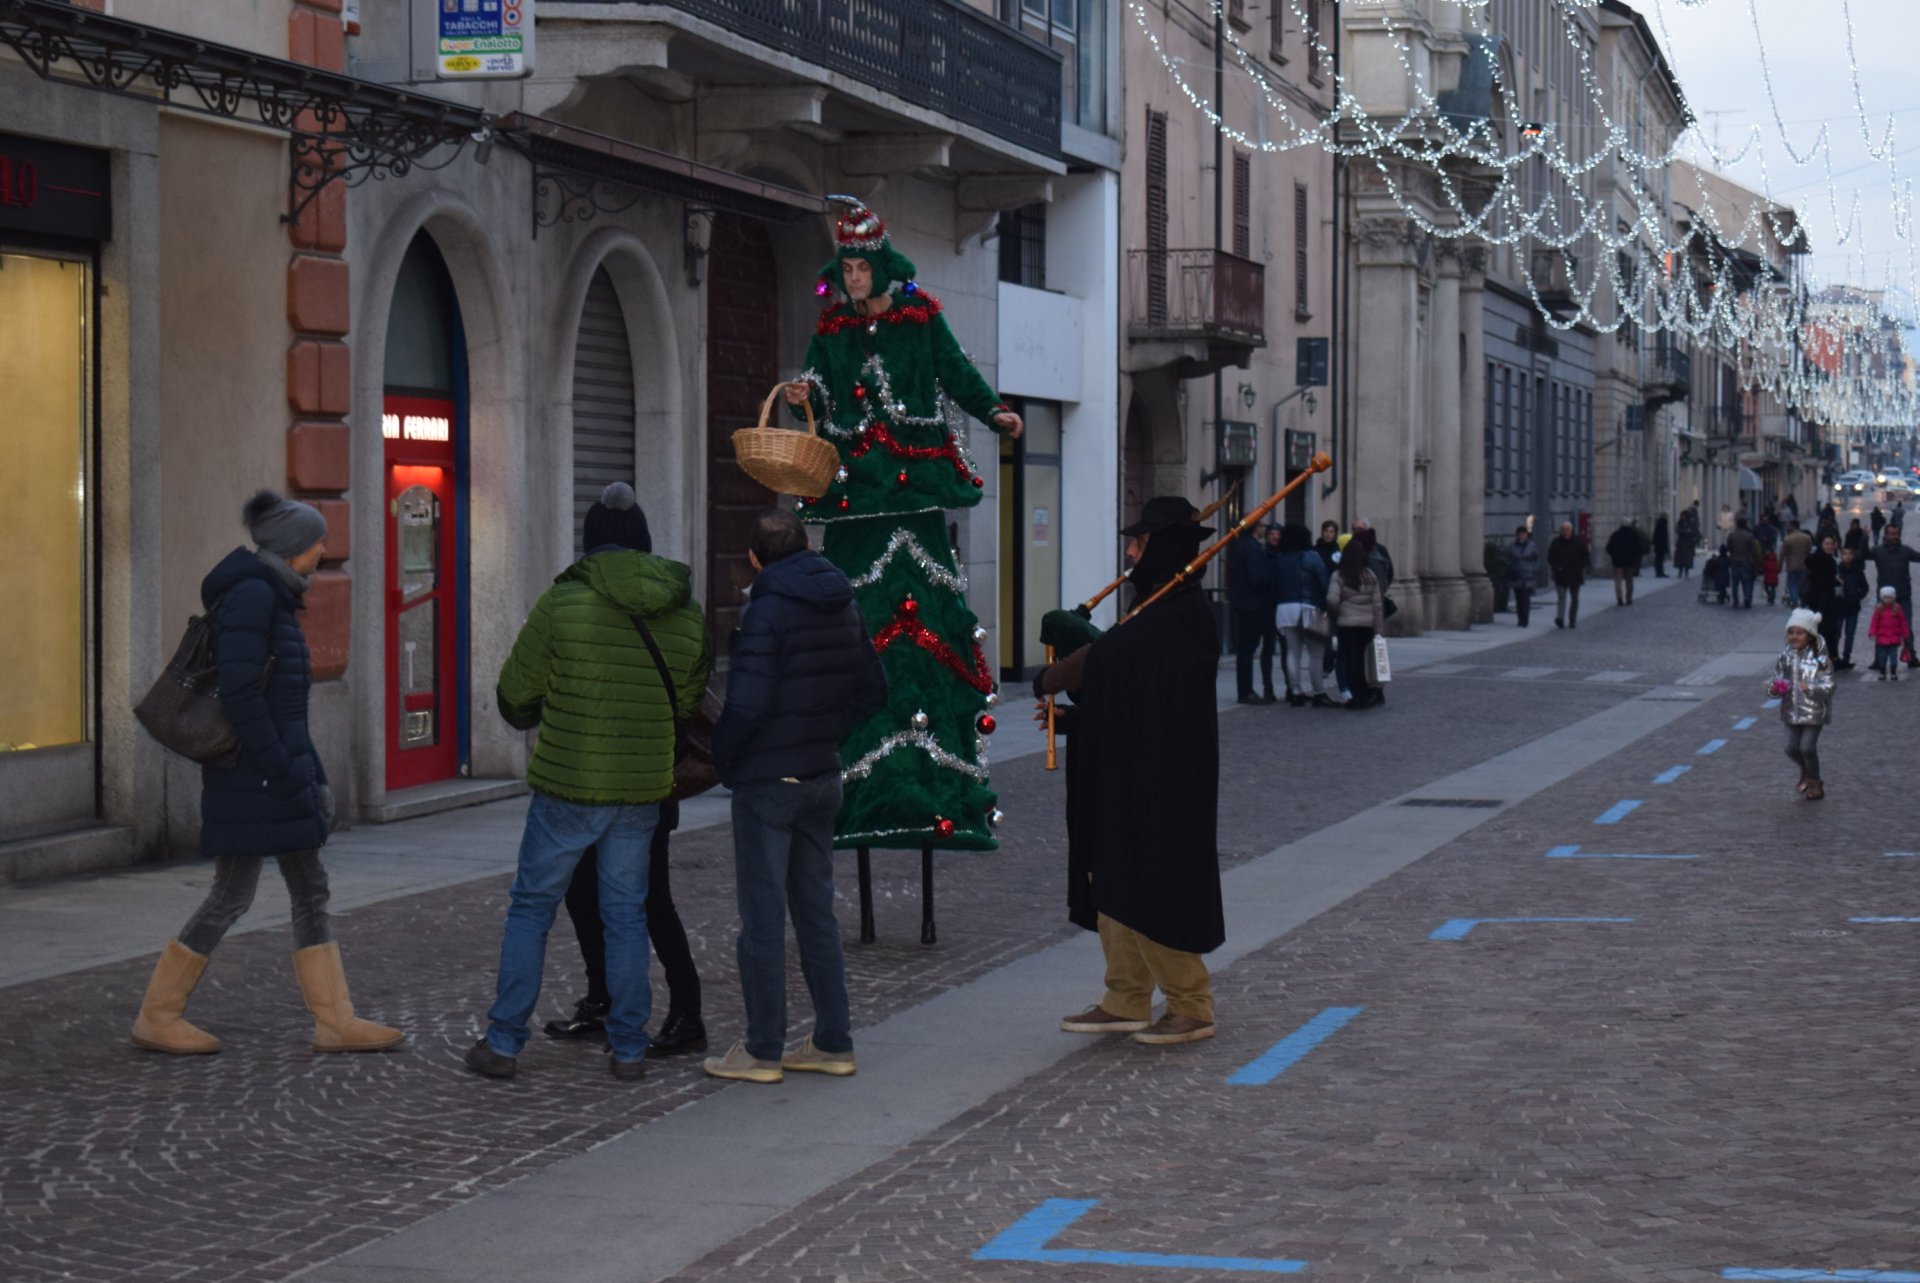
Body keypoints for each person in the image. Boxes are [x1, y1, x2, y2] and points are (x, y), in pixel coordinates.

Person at [129, 492, 402, 1058]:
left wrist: (314, 773)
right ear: (291, 548)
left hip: (274, 773)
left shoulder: (274, 597)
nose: (324, 550)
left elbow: (287, 708)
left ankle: (335, 1020)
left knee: (308, 889)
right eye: (316, 542)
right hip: (252, 777)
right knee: (232, 894)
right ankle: (159, 1014)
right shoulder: (253, 597)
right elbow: (242, 694)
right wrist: (283, 769)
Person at [782, 200, 1015, 853]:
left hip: (912, 478)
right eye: (846, 267)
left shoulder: (923, 318)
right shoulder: (832, 328)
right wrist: (806, 394)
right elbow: (819, 384)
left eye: (861, 267)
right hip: (856, 490)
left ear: (880, 267)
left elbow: (957, 374)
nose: (853, 278)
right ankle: (852, 782)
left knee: (925, 619)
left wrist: (994, 413)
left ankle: (934, 781)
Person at [470, 483, 712, 1082]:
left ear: (590, 542)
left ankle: (503, 1042)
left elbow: (514, 696)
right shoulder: (685, 610)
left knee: (531, 909)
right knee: (627, 915)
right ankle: (628, 1048)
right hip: (640, 788)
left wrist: (549, 708)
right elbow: (687, 703)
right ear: (645, 541)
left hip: (568, 785)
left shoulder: (563, 603)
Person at [703, 509, 888, 1084]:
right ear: (807, 545)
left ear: (756, 558)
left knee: (762, 919)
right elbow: (873, 691)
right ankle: (834, 1040)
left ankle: (763, 1049)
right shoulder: (844, 601)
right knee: (817, 915)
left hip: (769, 781)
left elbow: (748, 703)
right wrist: (826, 731)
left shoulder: (767, 610)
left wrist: (726, 760)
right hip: (821, 775)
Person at [1038, 496, 1224, 1046]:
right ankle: (1126, 997)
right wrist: (1077, 718)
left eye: (1138, 544)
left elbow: (1113, 662)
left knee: (1151, 881)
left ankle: (1192, 1003)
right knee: (1112, 876)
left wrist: (1059, 674)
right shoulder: (1151, 610)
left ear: (1161, 551)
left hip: (1164, 782)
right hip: (1128, 768)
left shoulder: (1181, 617)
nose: (1129, 551)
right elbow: (1125, 694)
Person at [1770, 609, 1834, 801]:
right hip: (1791, 710)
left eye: (1799, 633)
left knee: (1807, 747)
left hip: (1815, 711)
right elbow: (1776, 678)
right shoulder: (1785, 657)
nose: (1794, 637)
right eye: (1791, 632)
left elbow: (1830, 686)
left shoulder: (1821, 660)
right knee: (1790, 747)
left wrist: (1811, 688)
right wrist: (1774, 689)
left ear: (1810, 635)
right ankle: (1806, 770)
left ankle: (1815, 782)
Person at [1271, 522, 1334, 707]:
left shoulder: (1279, 559)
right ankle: (1318, 692)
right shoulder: (1311, 556)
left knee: (1292, 652)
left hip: (1284, 607)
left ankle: (1296, 691)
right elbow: (1324, 582)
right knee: (1316, 653)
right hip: (1308, 605)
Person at [1327, 529, 1386, 710]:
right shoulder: (1369, 575)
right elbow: (1377, 604)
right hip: (1366, 624)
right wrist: (1378, 628)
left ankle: (1355, 697)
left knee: (1350, 661)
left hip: (1347, 623)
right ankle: (1363, 694)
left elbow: (1331, 599)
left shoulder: (1339, 575)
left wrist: (1336, 613)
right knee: (1360, 660)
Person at [1227, 521, 1278, 706]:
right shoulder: (1252, 547)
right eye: (1263, 525)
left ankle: (1245, 690)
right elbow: (1258, 577)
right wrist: (1270, 583)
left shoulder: (1238, 545)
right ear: (1256, 528)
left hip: (1241, 601)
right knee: (1247, 649)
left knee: (1244, 648)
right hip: (1252, 604)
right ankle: (1246, 691)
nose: (1265, 529)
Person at [1870, 524, 1920, 667]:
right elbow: (1863, 555)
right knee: (1881, 628)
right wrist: (1863, 538)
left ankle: (1911, 656)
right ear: (1885, 535)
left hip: (1903, 595)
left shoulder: (1905, 551)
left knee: (1907, 627)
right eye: (1892, 534)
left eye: (1897, 534)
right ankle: (1878, 659)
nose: (1895, 536)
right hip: (1884, 598)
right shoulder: (1878, 550)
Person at [1804, 533, 1842, 663]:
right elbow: (1822, 581)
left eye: (1831, 544)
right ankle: (1823, 656)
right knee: (1823, 630)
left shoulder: (1828, 559)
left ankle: (1828, 655)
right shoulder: (1821, 559)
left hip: (1825, 600)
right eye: (1827, 544)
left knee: (1828, 630)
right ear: (1821, 545)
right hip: (1821, 601)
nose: (1830, 546)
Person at [1547, 520, 1586, 628]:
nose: (1565, 532)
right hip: (1561, 574)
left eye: (1567, 529)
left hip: (1575, 574)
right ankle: (1560, 618)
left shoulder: (1578, 542)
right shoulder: (1556, 542)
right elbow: (1550, 558)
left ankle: (1572, 619)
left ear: (1571, 530)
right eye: (1563, 529)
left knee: (1575, 598)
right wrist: (1556, 567)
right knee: (1561, 597)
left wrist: (1580, 567)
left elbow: (1585, 556)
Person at [1837, 546, 1870, 668]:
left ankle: (1846, 657)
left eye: (1850, 554)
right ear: (1841, 556)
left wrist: (1857, 596)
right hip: (1839, 607)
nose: (1847, 556)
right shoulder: (1837, 570)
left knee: (1850, 634)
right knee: (1837, 633)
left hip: (1853, 607)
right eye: (1845, 554)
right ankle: (1835, 657)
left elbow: (1865, 587)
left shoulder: (1857, 570)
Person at [1869, 587, 1909, 681]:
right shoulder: (1879, 610)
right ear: (1882, 598)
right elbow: (1874, 623)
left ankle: (1893, 672)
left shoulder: (1897, 610)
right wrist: (1872, 632)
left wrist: (1905, 633)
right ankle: (1882, 672)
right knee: (1882, 657)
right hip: (1882, 639)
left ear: (1893, 598)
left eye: (1890, 597)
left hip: (1894, 638)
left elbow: (1903, 623)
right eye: (1885, 597)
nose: (1887, 599)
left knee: (1893, 657)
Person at [1505, 524, 1540, 627]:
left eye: (1524, 534)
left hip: (1528, 575)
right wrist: (1510, 569)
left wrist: (1534, 570)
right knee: (1519, 598)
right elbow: (1507, 559)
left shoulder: (1531, 546)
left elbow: (1537, 559)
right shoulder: (1512, 547)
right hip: (1516, 575)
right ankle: (1520, 618)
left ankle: (1525, 619)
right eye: (1520, 534)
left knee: (1526, 598)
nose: (1522, 536)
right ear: (1517, 535)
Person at [1605, 520, 1644, 606]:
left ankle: (1619, 598)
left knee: (1618, 581)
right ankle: (1629, 598)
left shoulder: (1615, 535)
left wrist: (1614, 556)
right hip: (1629, 562)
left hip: (1617, 562)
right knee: (1629, 581)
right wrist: (1634, 557)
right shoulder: (1633, 535)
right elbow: (1638, 548)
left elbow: (1608, 548)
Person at [1726, 515, 1761, 608]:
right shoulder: (1749, 536)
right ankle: (1746, 597)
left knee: (1735, 582)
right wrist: (1757, 562)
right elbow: (1754, 550)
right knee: (1747, 581)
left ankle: (1736, 600)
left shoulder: (1732, 535)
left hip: (1735, 560)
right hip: (1746, 561)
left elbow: (1728, 548)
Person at [1780, 520, 1812, 608]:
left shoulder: (1788, 538)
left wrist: (1779, 567)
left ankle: (1794, 600)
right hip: (1804, 565)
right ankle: (1803, 600)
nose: (1788, 528)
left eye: (1789, 526)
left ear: (1793, 526)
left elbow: (1782, 554)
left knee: (1792, 584)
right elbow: (1809, 552)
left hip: (1791, 565)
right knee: (1802, 585)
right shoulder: (1807, 538)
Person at [1675, 505, 1700, 578]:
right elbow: (1677, 530)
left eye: (1684, 515)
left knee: (1687, 559)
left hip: (1688, 544)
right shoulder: (1680, 522)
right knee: (1680, 559)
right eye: (1682, 515)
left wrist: (1691, 535)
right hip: (1681, 544)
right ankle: (1680, 572)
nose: (1683, 517)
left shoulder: (1691, 522)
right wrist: (1684, 531)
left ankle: (1686, 572)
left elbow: (1695, 532)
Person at [1651, 513, 1671, 577]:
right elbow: (1662, 536)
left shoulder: (1661, 523)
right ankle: (1659, 572)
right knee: (1659, 559)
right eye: (1666, 516)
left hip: (1659, 545)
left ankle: (1660, 572)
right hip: (1661, 545)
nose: (1667, 517)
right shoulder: (1662, 523)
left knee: (1659, 559)